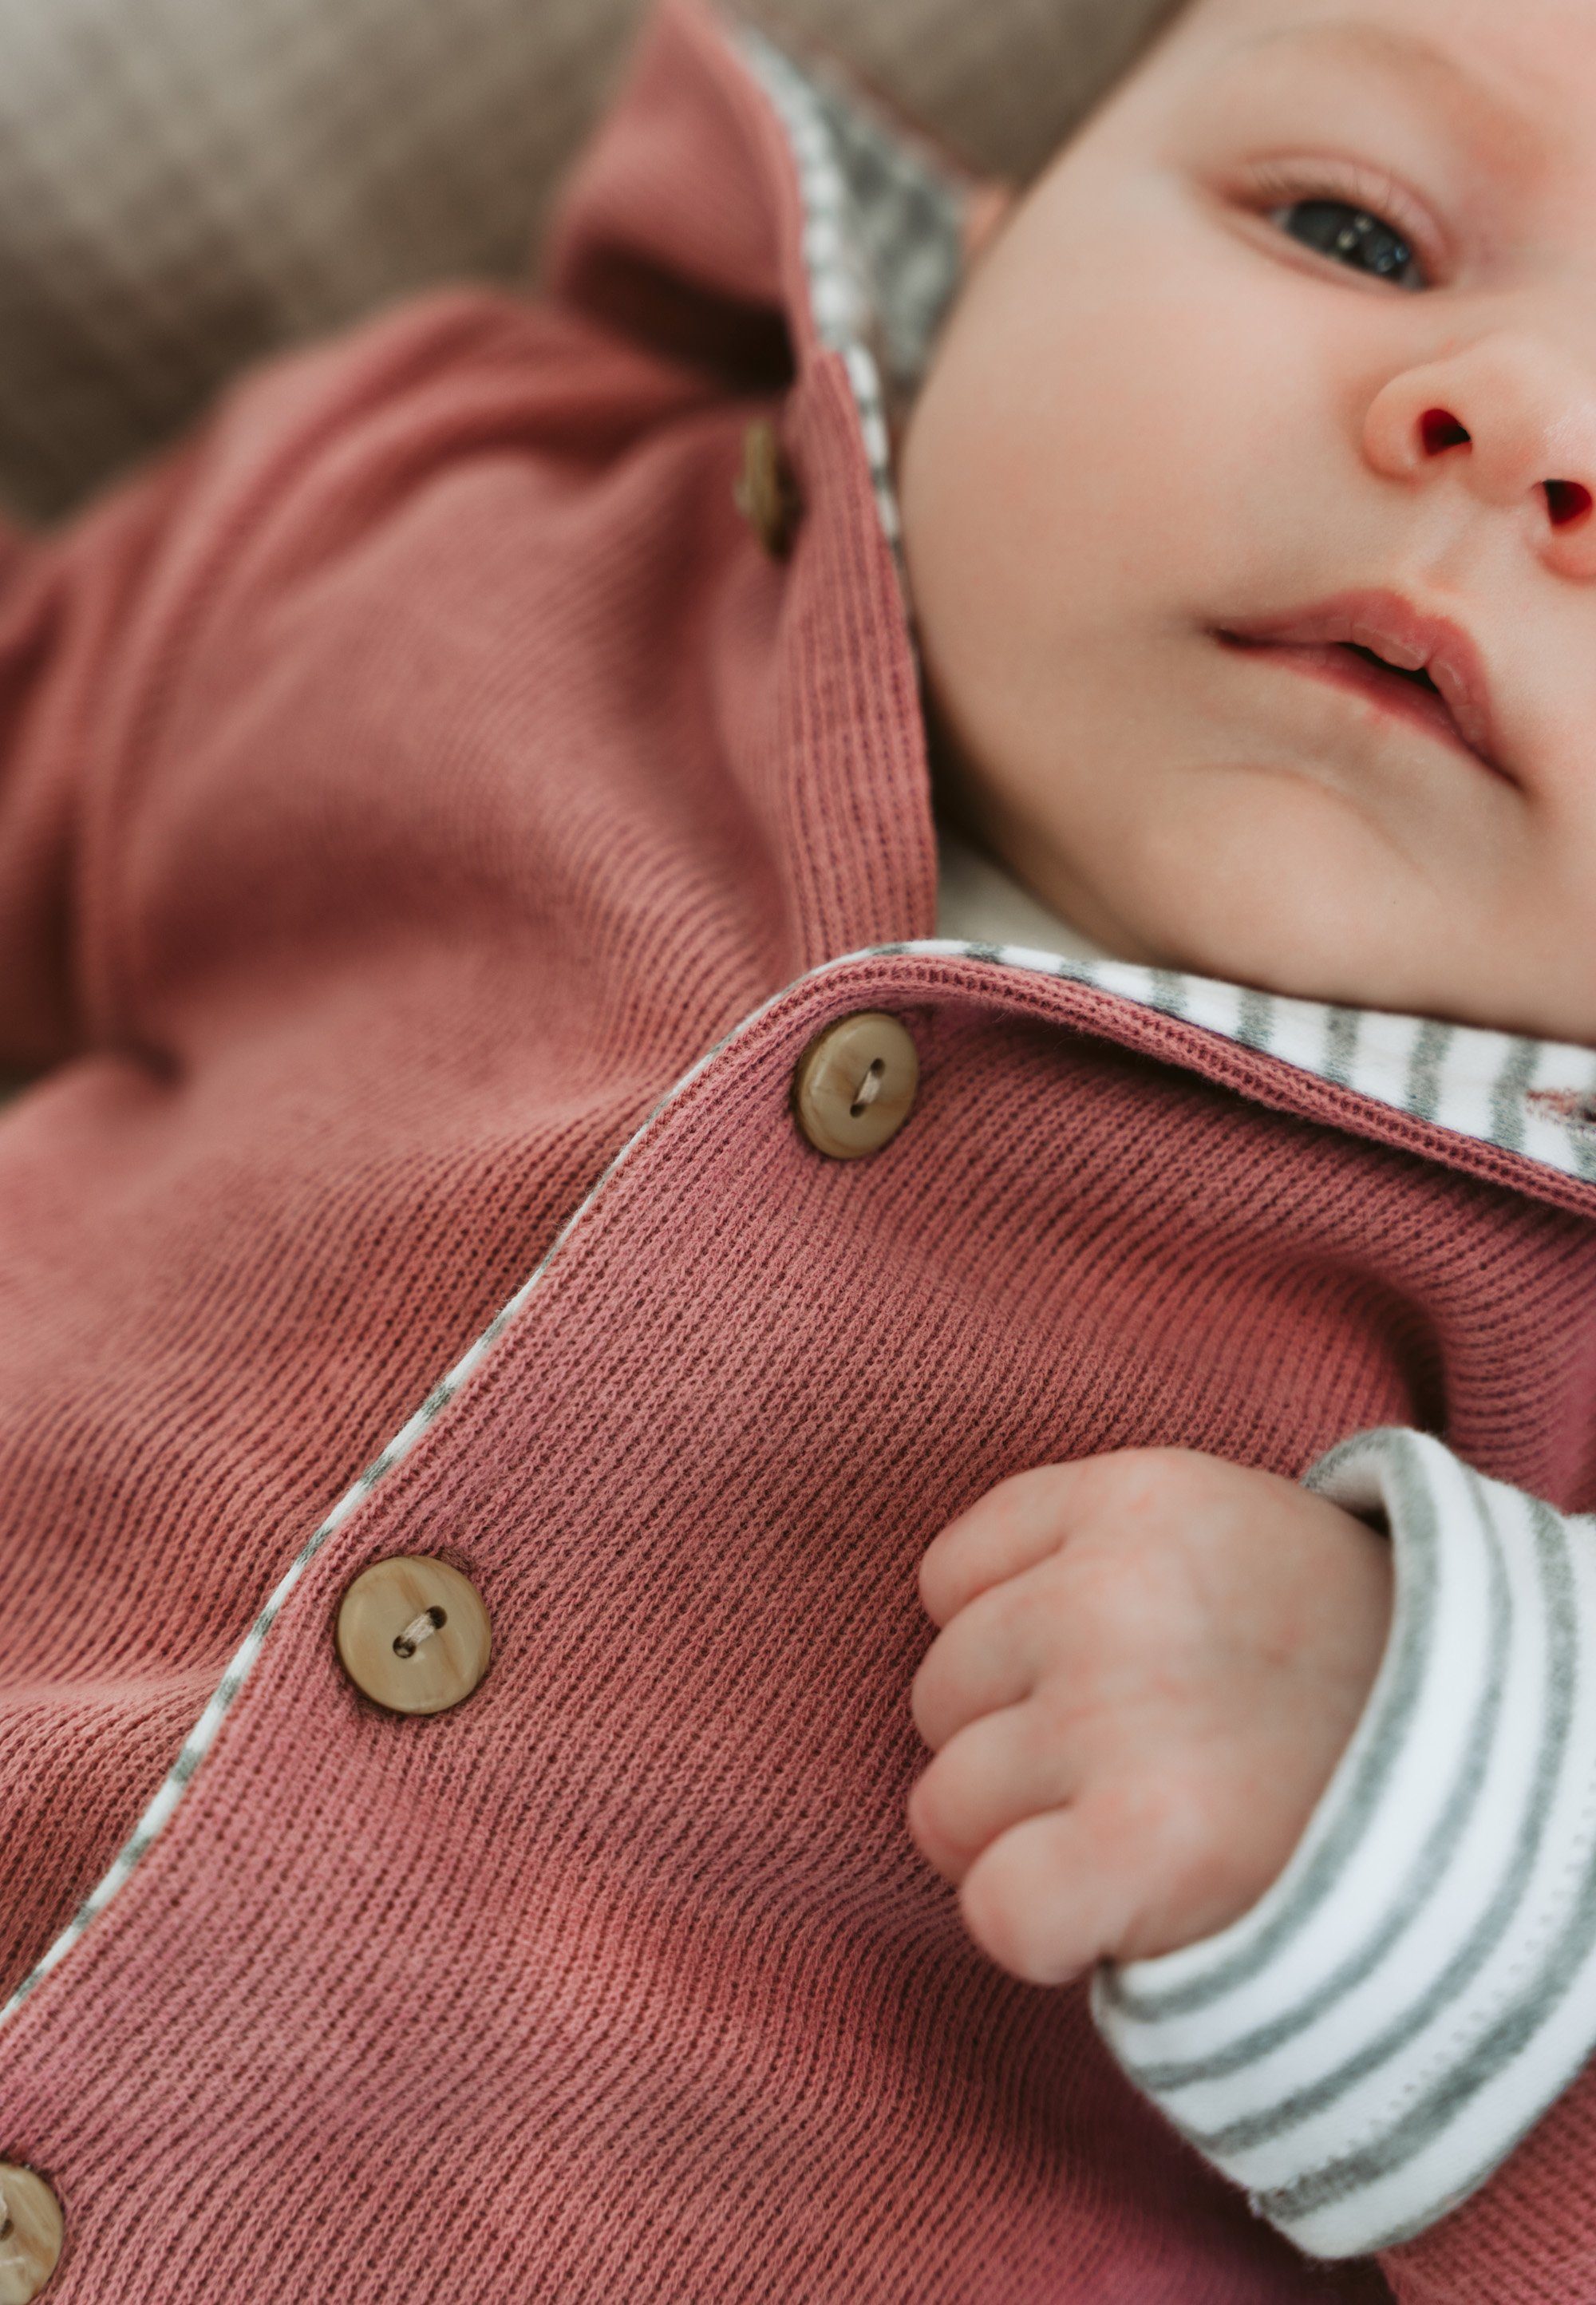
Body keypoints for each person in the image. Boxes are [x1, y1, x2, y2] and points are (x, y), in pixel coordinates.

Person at [0, 0, 1591, 2295]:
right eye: (1351, 226)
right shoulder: (482, 541)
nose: (1522, 421)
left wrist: (1433, 1795)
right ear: (995, 243)